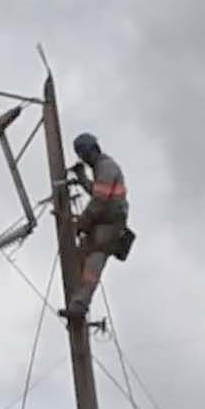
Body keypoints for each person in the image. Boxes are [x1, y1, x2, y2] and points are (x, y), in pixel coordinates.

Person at [63, 132, 132, 321]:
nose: (84, 158)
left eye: (84, 154)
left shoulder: (107, 166)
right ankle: (76, 302)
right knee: (78, 260)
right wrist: (82, 177)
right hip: (103, 223)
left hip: (110, 226)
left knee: (92, 265)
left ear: (92, 150)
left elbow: (100, 200)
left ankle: (78, 306)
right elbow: (98, 192)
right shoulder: (101, 168)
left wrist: (82, 222)